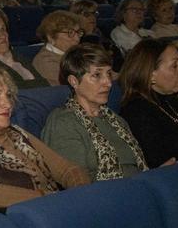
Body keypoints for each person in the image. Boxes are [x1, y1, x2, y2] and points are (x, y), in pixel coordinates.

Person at [0, 62, 90, 209]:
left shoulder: (16, 133)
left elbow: (66, 169)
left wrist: (82, 193)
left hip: (55, 208)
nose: (7, 104)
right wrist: (52, 199)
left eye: (8, 95)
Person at [41, 44, 149, 180]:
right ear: (74, 81)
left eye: (109, 73)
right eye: (97, 75)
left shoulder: (116, 119)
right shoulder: (63, 123)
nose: (108, 83)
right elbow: (77, 183)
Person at [32, 11, 84, 87]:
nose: (77, 39)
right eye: (70, 33)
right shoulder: (46, 62)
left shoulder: (74, 53)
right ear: (51, 37)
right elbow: (71, 88)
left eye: (78, 32)